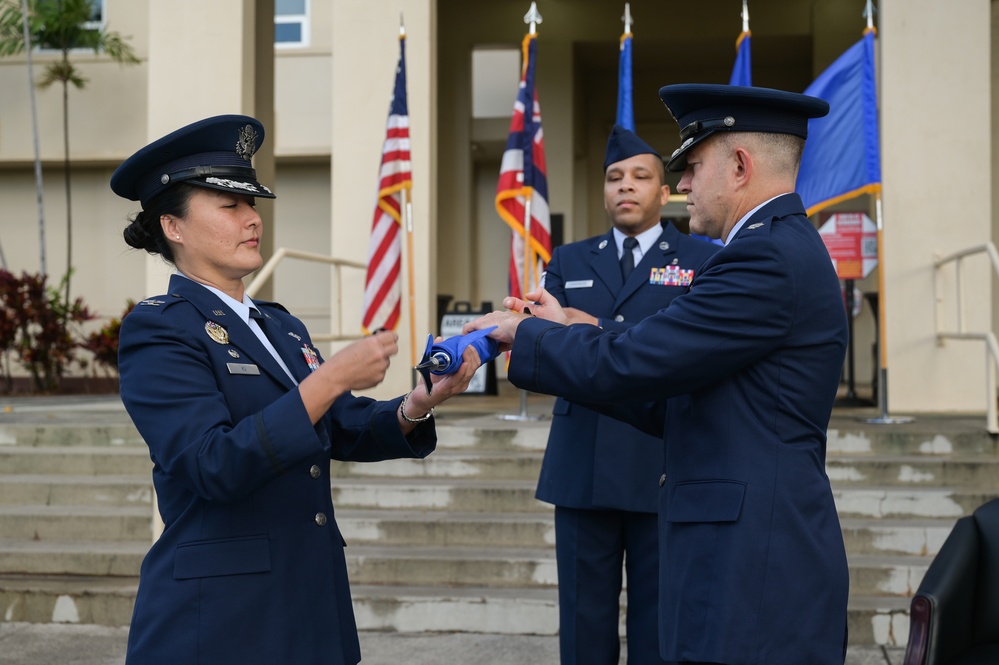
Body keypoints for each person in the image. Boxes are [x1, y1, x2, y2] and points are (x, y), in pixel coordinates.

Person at [465, 84, 850, 665]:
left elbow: (636, 362)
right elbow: (675, 395)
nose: (683, 186)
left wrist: (526, 334)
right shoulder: (775, 248)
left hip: (752, 565)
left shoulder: (763, 257)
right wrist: (567, 332)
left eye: (692, 166)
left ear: (740, 166)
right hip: (738, 553)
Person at [110, 114, 480, 665]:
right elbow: (213, 464)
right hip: (221, 618)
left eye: (253, 205)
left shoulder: (278, 324)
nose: (252, 219)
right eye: (229, 206)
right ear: (174, 226)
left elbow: (338, 426)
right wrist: (331, 378)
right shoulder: (161, 327)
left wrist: (417, 403)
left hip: (307, 602)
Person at [538, 125, 718, 665]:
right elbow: (546, 344)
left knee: (658, 627)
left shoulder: (700, 260)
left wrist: (592, 326)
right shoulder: (569, 261)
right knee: (582, 627)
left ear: (666, 194)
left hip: (658, 461)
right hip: (581, 463)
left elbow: (688, 351)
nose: (626, 187)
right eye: (614, 177)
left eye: (641, 177)